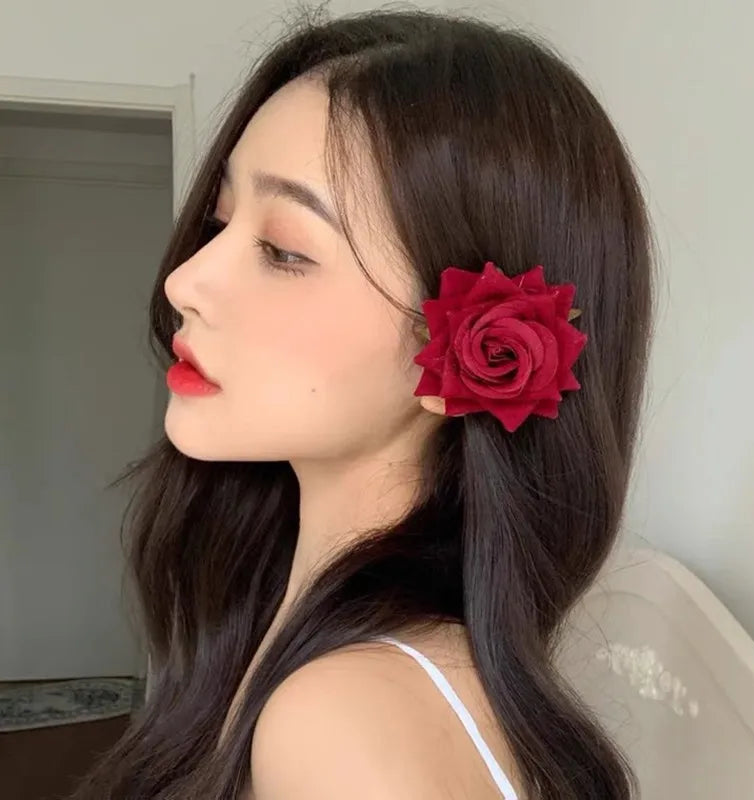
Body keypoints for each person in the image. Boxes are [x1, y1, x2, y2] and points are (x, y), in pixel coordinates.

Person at [68, 5, 654, 799]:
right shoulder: (313, 642)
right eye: (219, 221)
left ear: (467, 352)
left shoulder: (342, 727)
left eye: (283, 250)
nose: (184, 281)